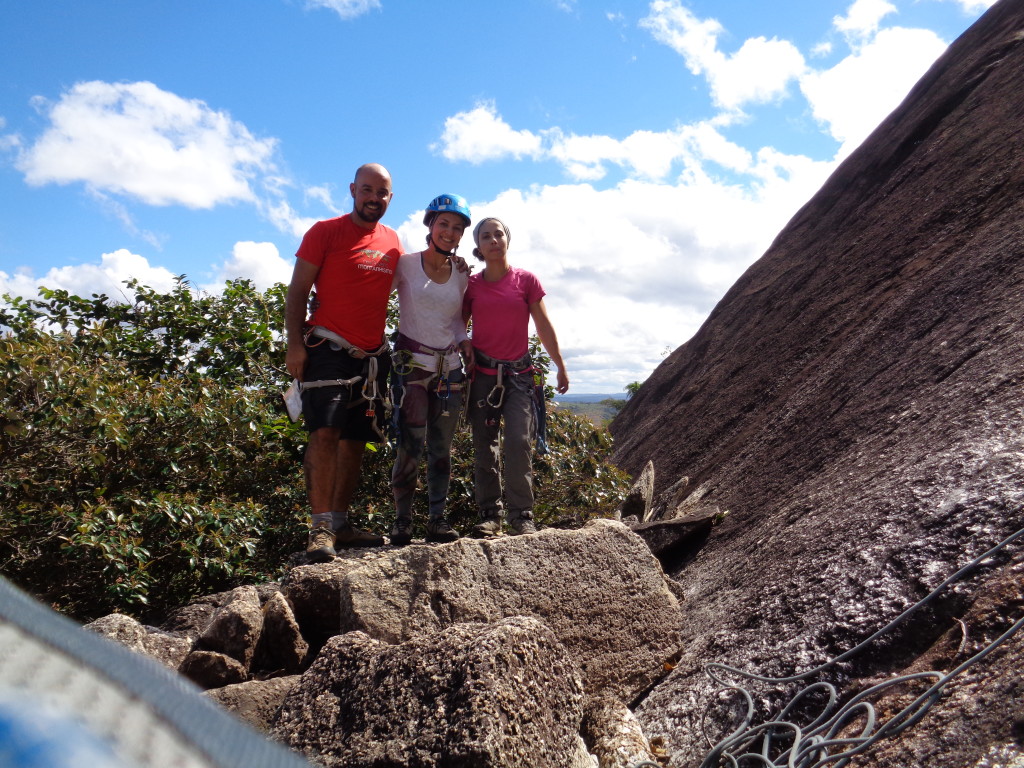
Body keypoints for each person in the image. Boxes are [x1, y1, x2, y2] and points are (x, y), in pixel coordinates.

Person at [285, 163, 400, 562]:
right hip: (328, 348)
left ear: (390, 197)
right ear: (352, 190)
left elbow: (416, 277)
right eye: (367, 189)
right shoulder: (325, 232)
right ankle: (320, 529)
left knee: (354, 440)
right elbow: (298, 290)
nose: (373, 198)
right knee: (324, 434)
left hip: (371, 358)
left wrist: (454, 267)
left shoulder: (392, 241)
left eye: (381, 192)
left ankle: (340, 524)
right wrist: (294, 345)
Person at [462, 217, 569, 537]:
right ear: (478, 247)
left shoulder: (526, 281)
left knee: (519, 441)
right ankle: (490, 515)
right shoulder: (471, 285)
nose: (493, 240)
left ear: (507, 240)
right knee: (485, 445)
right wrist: (461, 348)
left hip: (519, 374)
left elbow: (543, 325)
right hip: (482, 375)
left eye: (499, 234)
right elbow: (458, 326)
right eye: (486, 236)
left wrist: (560, 364)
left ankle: (521, 515)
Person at [389, 194, 475, 545]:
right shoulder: (406, 265)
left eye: (457, 228)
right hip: (412, 368)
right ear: (430, 226)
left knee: (441, 448)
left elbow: (455, 322)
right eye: (444, 224)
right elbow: (375, 297)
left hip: (449, 369)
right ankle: (402, 521)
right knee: (409, 445)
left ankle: (437, 519)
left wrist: (464, 340)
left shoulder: (461, 274)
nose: (449, 232)